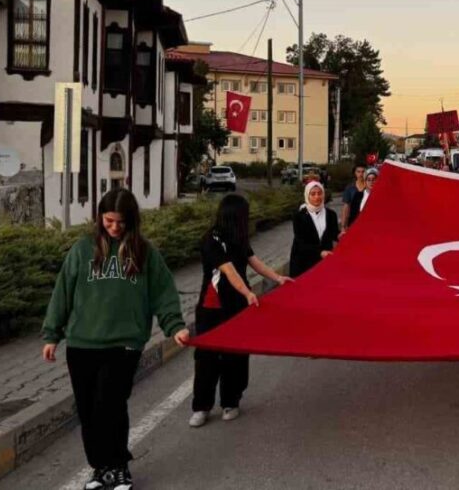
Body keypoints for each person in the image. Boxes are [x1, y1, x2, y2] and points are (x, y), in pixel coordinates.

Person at [41, 189, 188, 490]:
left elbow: (163, 293)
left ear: (131, 220)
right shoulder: (83, 250)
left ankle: (119, 467)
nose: (115, 227)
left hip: (124, 344)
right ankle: (100, 469)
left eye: (121, 222)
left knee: (110, 404)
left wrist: (175, 326)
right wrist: (51, 334)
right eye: (109, 220)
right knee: (88, 411)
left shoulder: (144, 252)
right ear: (100, 217)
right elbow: (63, 292)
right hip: (82, 344)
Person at [190, 195, 291, 428]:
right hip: (211, 308)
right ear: (235, 216)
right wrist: (247, 292)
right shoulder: (211, 239)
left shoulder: (239, 238)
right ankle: (201, 406)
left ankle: (230, 401)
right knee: (206, 358)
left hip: (236, 307)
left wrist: (277, 278)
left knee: (235, 355)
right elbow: (229, 270)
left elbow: (254, 261)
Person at [292, 180, 342, 276]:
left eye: (319, 193)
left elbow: (334, 233)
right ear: (307, 195)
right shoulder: (299, 216)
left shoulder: (331, 214)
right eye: (313, 194)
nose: (317, 197)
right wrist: (319, 252)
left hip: (324, 262)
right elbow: (300, 242)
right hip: (304, 262)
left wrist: (340, 235)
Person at [340, 164, 367, 233]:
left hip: (367, 222)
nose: (361, 174)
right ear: (355, 173)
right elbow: (345, 207)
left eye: (363, 171)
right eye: (358, 172)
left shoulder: (369, 187)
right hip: (353, 221)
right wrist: (343, 227)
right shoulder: (350, 188)